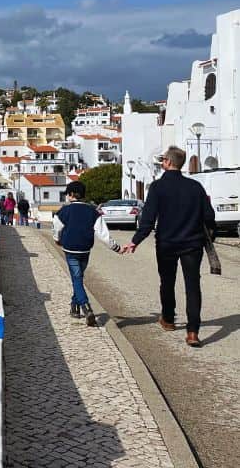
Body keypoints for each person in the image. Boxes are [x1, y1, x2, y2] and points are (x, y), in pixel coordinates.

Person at [121, 146, 216, 347]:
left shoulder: (157, 188)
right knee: (193, 286)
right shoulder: (195, 187)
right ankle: (192, 332)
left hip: (166, 244)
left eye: (163, 159)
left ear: (167, 163)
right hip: (193, 244)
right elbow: (209, 215)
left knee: (167, 282)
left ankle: (168, 319)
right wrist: (208, 234)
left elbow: (147, 220)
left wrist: (135, 241)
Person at [53, 180, 121, 326]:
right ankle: (74, 306)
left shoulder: (64, 211)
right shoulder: (93, 212)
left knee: (76, 279)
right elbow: (103, 234)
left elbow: (57, 226)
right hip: (85, 249)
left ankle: (86, 307)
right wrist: (116, 248)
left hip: (70, 249)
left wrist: (57, 239)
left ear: (71, 195)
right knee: (78, 278)